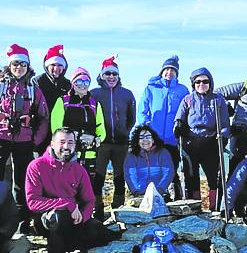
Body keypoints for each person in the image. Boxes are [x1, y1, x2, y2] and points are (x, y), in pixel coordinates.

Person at [25, 128, 119, 253]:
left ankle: (73, 252)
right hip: (47, 219)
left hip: (74, 217)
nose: (66, 146)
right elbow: (33, 203)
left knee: (99, 231)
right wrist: (66, 204)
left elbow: (89, 200)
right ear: (52, 144)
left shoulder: (79, 170)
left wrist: (83, 216)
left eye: (70, 142)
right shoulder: (36, 166)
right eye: (62, 142)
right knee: (58, 217)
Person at [0, 43, 49, 217]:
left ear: (28, 67)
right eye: (15, 64)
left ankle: (22, 217)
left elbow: (43, 118)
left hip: (25, 141)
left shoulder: (34, 91)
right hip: (0, 140)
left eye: (23, 64)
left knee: (23, 180)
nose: (19, 68)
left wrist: (35, 141)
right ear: (9, 66)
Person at [174, 67, 230, 208]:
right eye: (197, 82)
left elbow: (224, 123)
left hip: (211, 142)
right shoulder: (188, 100)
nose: (201, 84)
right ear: (193, 84)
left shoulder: (218, 100)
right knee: (191, 177)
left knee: (213, 178)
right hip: (191, 142)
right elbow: (179, 117)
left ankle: (214, 207)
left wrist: (223, 137)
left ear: (210, 83)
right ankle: (195, 207)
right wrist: (178, 125)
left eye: (205, 81)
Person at [137, 55, 189, 200]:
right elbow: (143, 108)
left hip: (173, 138)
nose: (169, 73)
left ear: (176, 74)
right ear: (161, 71)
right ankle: (157, 196)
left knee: (171, 167)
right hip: (154, 137)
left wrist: (183, 127)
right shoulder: (151, 88)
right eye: (166, 70)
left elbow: (187, 110)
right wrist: (145, 125)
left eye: (173, 70)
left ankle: (176, 195)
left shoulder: (182, 90)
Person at [90, 56, 136, 217]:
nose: (111, 77)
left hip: (121, 142)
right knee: (98, 176)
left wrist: (125, 131)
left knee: (119, 175)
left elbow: (132, 118)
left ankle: (118, 207)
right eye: (107, 74)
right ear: (102, 75)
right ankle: (98, 208)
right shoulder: (94, 94)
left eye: (114, 74)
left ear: (118, 76)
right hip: (101, 142)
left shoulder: (127, 94)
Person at [49, 67, 106, 196]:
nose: (82, 85)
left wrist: (97, 139)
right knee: (67, 184)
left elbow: (101, 128)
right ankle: (66, 210)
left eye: (86, 82)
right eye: (79, 81)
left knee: (87, 185)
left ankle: (87, 212)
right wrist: (73, 137)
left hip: (89, 153)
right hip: (68, 152)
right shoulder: (63, 101)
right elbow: (56, 128)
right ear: (73, 83)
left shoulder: (94, 104)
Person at [33, 44, 71, 155]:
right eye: (53, 65)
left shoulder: (68, 84)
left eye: (60, 65)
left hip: (60, 129)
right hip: (40, 128)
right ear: (47, 65)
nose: (56, 68)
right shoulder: (37, 81)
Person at [124, 124, 175, 197]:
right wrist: (136, 192)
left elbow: (168, 173)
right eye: (141, 138)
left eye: (148, 137)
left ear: (153, 139)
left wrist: (160, 190)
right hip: (139, 194)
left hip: (160, 194)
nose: (145, 140)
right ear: (137, 141)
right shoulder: (132, 155)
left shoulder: (163, 153)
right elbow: (130, 175)